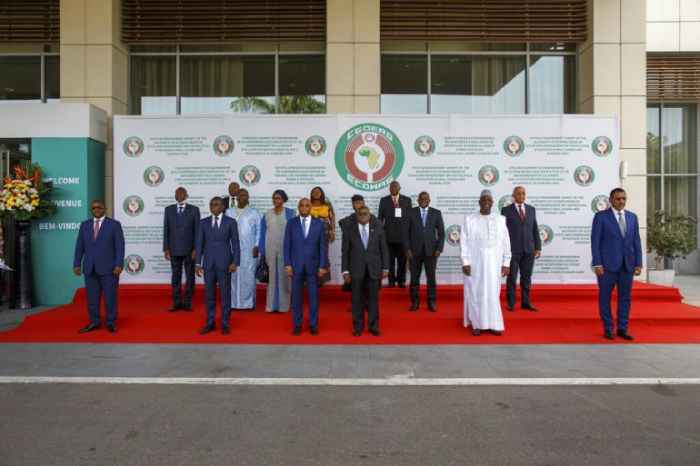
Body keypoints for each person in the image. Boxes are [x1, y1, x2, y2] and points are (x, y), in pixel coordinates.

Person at [591, 188, 642, 340]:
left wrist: (638, 263)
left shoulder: (632, 217)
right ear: (611, 200)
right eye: (618, 199)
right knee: (605, 297)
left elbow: (636, 241)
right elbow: (595, 242)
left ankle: (622, 328)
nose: (621, 201)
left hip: (627, 266)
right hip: (607, 266)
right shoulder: (601, 217)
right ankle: (608, 328)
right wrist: (597, 263)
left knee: (625, 298)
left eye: (624, 199)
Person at [460, 190, 511, 336]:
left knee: (493, 292)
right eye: (484, 199)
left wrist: (506, 262)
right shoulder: (469, 219)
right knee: (476, 291)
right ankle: (477, 323)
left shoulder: (500, 219)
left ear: (493, 203)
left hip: (494, 262)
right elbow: (464, 242)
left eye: (489, 199)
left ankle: (494, 324)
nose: (486, 202)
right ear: (479, 202)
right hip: (475, 261)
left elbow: (505, 241)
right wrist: (465, 261)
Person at [73, 200, 125, 333]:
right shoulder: (85, 225)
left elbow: (120, 247)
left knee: (110, 298)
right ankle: (94, 322)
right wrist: (77, 263)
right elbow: (80, 246)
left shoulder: (114, 225)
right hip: (90, 268)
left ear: (104, 208)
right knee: (92, 299)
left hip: (109, 269)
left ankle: (111, 322)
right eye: (93, 207)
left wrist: (119, 264)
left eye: (99, 207)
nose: (96, 209)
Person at [283, 198, 328, 335]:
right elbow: (287, 245)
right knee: (296, 298)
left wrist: (322, 265)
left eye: (307, 205)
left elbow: (322, 247)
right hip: (295, 266)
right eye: (301, 205)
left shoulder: (319, 224)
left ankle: (313, 325)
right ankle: (297, 325)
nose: (304, 208)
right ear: (298, 207)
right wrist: (288, 264)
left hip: (313, 266)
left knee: (313, 297)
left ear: (311, 208)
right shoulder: (291, 223)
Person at [195, 197, 240, 335]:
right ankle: (210, 322)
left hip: (225, 264)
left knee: (225, 294)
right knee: (209, 295)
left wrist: (235, 262)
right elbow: (199, 244)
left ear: (222, 207)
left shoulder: (231, 222)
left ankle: (225, 323)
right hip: (208, 264)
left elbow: (236, 244)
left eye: (216, 204)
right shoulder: (203, 223)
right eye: (211, 204)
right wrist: (198, 263)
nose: (213, 206)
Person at [342, 206, 389, 336]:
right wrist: (345, 271)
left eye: (365, 214)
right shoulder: (349, 230)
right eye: (360, 214)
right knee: (357, 300)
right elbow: (345, 252)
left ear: (369, 215)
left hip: (374, 270)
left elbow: (384, 249)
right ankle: (358, 327)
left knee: (373, 300)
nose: (363, 216)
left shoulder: (378, 228)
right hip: (356, 270)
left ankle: (373, 326)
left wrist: (385, 268)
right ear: (356, 215)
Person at [501, 186, 541, 312]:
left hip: (529, 250)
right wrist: (503, 249)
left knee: (526, 278)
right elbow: (503, 232)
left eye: (523, 193)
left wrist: (538, 247)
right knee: (512, 278)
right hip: (512, 250)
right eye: (518, 193)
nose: (521, 196)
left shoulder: (531, 210)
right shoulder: (506, 210)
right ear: (514, 195)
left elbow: (535, 229)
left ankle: (526, 302)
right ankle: (511, 303)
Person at [404, 191, 445, 312]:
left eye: (426, 198)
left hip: (431, 252)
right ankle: (415, 302)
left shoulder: (436, 213)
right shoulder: (410, 212)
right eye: (421, 198)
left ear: (429, 200)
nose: (423, 200)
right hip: (414, 252)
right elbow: (405, 233)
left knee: (431, 278)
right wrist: (407, 249)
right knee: (414, 279)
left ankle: (431, 301)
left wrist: (439, 249)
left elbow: (441, 233)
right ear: (418, 200)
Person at [163, 187, 200, 312]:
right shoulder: (168, 210)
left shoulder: (194, 210)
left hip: (190, 250)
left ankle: (188, 302)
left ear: (186, 195)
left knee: (190, 277)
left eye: (181, 193)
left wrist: (196, 248)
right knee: (175, 276)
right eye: (177, 193)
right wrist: (166, 248)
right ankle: (176, 302)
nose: (179, 195)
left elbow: (197, 231)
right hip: (173, 249)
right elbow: (166, 230)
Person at [259, 189, 296, 312]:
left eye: (279, 198)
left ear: (284, 199)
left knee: (285, 278)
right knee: (272, 277)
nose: (276, 200)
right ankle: (271, 306)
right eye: (274, 198)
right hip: (270, 249)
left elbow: (294, 233)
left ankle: (284, 306)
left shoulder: (290, 213)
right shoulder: (267, 214)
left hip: (285, 250)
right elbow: (263, 233)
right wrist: (262, 250)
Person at [225, 188, 261, 311]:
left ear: (248, 198)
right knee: (234, 275)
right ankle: (234, 303)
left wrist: (257, 246)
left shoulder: (254, 213)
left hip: (249, 250)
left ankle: (248, 303)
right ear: (237, 197)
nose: (243, 197)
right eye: (241, 195)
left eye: (245, 195)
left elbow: (259, 231)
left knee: (249, 276)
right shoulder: (229, 212)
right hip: (232, 249)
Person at [378, 180, 412, 287]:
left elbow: (410, 218)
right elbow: (380, 218)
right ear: (389, 189)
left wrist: (409, 234)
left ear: (399, 188)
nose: (393, 189)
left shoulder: (407, 200)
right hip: (388, 236)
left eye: (395, 187)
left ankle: (401, 281)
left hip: (402, 236)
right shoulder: (384, 200)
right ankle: (391, 281)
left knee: (402, 261)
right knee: (389, 261)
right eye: (391, 187)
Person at [309, 186, 335, 284]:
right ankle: (311, 277)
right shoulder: (308, 204)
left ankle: (322, 278)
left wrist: (332, 231)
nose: (316, 193)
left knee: (323, 254)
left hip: (325, 232)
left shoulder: (327, 205)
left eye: (318, 191)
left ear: (322, 193)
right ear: (311, 193)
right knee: (312, 255)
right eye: (314, 191)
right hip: (311, 234)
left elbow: (332, 218)